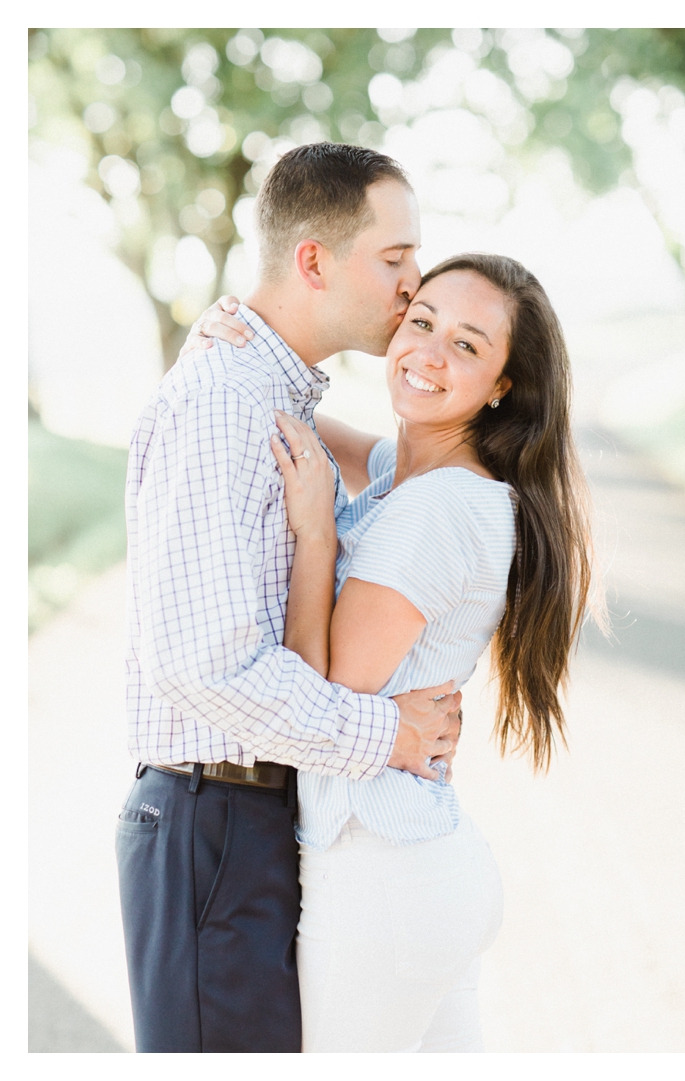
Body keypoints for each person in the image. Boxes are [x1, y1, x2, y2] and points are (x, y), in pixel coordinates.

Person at [116, 143, 465, 1053]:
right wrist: (387, 734)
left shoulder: (267, 391)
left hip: (250, 819)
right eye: (394, 260)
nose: (413, 283)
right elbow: (207, 665)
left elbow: (400, 479)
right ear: (313, 259)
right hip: (212, 823)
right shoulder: (227, 401)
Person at [256, 252, 593, 1050]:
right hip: (424, 872)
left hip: (379, 877)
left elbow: (319, 693)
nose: (430, 353)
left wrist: (316, 531)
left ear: (504, 384)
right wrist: (240, 341)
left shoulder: (437, 509)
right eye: (422, 322)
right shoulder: (419, 474)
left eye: (469, 346)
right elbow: (287, 422)